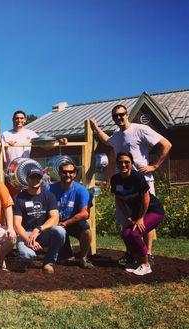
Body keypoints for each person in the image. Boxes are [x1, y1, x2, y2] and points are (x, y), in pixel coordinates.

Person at [90, 105, 171, 264]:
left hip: (142, 181)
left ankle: (148, 253)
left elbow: (166, 144)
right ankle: (130, 253)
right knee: (125, 218)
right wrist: (96, 127)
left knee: (145, 218)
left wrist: (154, 166)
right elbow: (107, 141)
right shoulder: (117, 136)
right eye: (115, 116)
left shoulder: (141, 129)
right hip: (123, 183)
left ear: (127, 114)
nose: (119, 118)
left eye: (122, 114)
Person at [111, 152, 164, 276]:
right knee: (125, 234)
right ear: (117, 164)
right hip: (135, 212)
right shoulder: (115, 179)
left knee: (135, 234)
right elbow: (119, 198)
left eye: (127, 162)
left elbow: (146, 199)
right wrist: (128, 217)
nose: (123, 165)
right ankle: (137, 261)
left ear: (132, 164)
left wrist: (140, 218)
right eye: (120, 162)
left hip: (153, 210)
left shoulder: (137, 177)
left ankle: (146, 264)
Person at [13, 167, 65, 274]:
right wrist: (29, 239)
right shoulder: (18, 198)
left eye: (38, 177)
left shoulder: (49, 196)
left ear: (42, 179)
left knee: (60, 231)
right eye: (32, 177)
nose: (35, 180)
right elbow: (16, 224)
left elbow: (55, 218)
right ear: (27, 179)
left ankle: (48, 263)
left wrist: (39, 229)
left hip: (42, 232)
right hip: (25, 234)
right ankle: (25, 260)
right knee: (28, 255)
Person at [49, 160, 94, 268]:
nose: (67, 174)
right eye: (64, 172)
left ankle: (83, 257)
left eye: (71, 172)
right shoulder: (50, 188)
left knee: (86, 231)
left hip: (72, 222)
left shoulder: (81, 190)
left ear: (75, 174)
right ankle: (64, 253)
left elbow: (84, 214)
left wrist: (66, 223)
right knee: (65, 260)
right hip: (55, 224)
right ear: (59, 173)